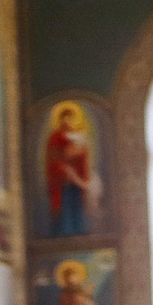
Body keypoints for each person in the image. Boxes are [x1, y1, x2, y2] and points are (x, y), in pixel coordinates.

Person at [42, 98, 99, 237]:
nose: (66, 122)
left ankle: (78, 229)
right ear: (60, 120)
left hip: (76, 179)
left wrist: (78, 152)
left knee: (76, 205)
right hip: (62, 179)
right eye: (64, 119)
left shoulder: (76, 136)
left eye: (70, 118)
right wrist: (69, 153)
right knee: (65, 206)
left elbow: (81, 156)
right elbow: (55, 156)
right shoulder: (55, 137)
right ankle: (65, 231)